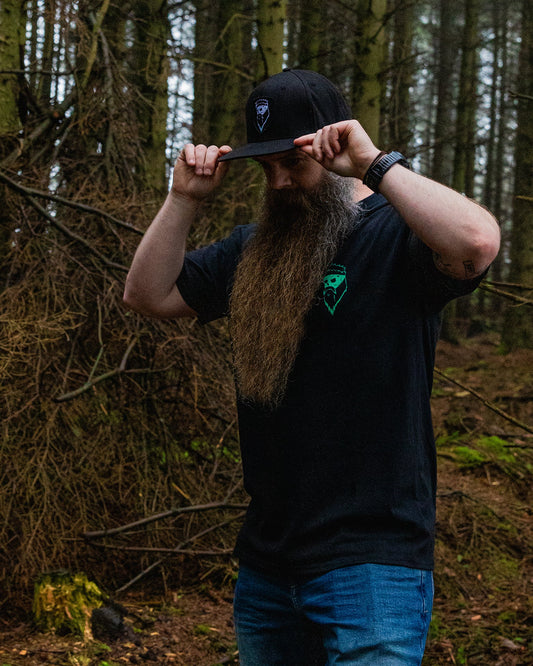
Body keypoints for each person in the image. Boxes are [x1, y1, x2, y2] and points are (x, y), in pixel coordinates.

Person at [124, 69, 500, 665]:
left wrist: (376, 164)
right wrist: (183, 199)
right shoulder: (255, 249)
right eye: (265, 167)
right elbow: (147, 295)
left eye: (292, 163)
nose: (277, 182)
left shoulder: (397, 234)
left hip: (374, 565)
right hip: (269, 567)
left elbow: (477, 243)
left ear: (334, 148)